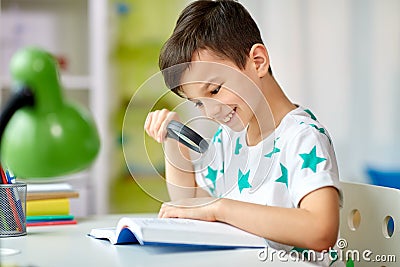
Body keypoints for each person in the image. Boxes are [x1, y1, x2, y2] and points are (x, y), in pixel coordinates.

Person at [144, 1, 343, 265]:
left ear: (257, 62)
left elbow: (321, 231)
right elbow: (190, 204)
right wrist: (172, 140)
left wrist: (221, 209)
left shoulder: (302, 137)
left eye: (214, 90)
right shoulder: (229, 140)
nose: (210, 112)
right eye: (199, 103)